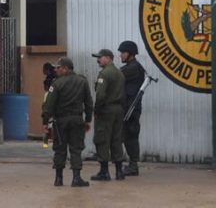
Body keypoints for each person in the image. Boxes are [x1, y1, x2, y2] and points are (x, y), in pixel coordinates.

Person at [42, 57, 92, 187]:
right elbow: (88, 102)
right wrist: (88, 120)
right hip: (77, 120)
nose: (56, 70)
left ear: (66, 68)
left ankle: (58, 179)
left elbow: (49, 105)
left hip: (61, 121)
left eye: (58, 68)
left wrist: (45, 122)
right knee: (76, 149)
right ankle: (76, 178)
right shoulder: (83, 81)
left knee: (60, 148)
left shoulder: (56, 84)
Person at [90, 48, 126, 181]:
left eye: (100, 57)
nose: (98, 60)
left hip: (106, 110)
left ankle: (104, 172)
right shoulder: (119, 73)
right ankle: (119, 171)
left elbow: (100, 95)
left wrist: (97, 110)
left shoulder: (104, 74)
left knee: (102, 139)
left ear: (108, 58)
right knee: (116, 139)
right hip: (118, 110)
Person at [118, 40, 146, 176]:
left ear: (129, 53)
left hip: (131, 107)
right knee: (128, 135)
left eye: (122, 53)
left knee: (131, 135)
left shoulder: (133, 68)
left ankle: (133, 166)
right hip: (128, 106)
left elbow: (117, 76)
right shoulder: (131, 66)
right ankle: (132, 164)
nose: (121, 56)